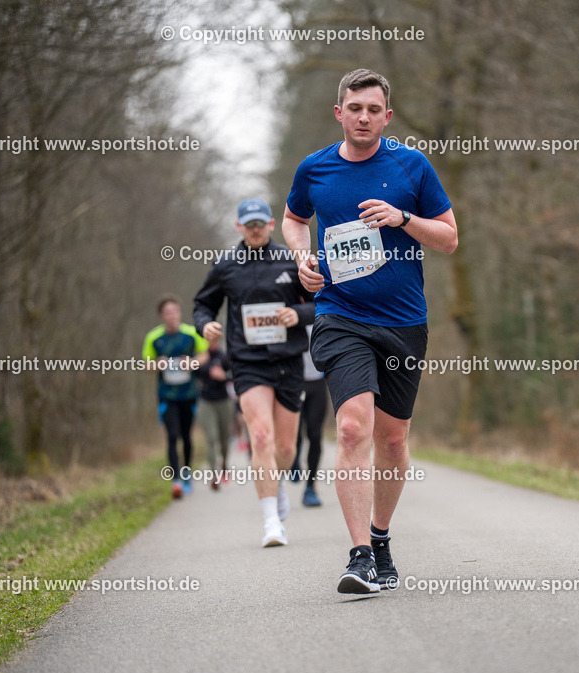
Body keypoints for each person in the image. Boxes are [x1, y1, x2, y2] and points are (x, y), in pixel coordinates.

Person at [281, 68, 457, 593]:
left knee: (394, 437)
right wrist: (301, 255)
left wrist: (402, 218)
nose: (363, 117)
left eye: (373, 110)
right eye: (354, 108)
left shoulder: (412, 166)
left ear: (387, 115)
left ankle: (381, 539)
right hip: (339, 314)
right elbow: (292, 218)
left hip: (404, 321)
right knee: (354, 428)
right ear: (339, 112)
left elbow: (448, 238)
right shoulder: (314, 169)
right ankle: (359, 556)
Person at [194, 198, 315, 547]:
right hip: (247, 362)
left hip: (289, 361)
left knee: (287, 448)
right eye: (249, 224)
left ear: (272, 224)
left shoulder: (291, 260)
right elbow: (203, 304)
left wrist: (300, 315)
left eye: (261, 223)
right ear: (239, 228)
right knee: (260, 437)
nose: (256, 229)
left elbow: (323, 300)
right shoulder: (226, 265)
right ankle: (271, 522)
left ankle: (275, 492)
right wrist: (206, 325)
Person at [143, 295, 209, 499]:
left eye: (175, 312)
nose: (172, 316)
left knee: (186, 435)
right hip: (167, 395)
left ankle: (187, 473)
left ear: (179, 313)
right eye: (167, 313)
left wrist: (192, 363)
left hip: (188, 393)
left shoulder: (190, 334)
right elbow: (146, 365)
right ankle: (176, 481)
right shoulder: (154, 338)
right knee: (172, 436)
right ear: (162, 316)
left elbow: (205, 355)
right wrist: (158, 364)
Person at [290, 325, 328, 507]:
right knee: (294, 433)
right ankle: (293, 460)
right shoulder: (291, 308)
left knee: (315, 434)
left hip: (318, 384)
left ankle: (310, 487)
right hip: (295, 382)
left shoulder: (324, 309)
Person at [194, 337, 233, 490]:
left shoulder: (225, 357)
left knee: (224, 439)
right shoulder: (200, 358)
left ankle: (224, 465)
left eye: (215, 340)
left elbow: (237, 375)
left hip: (224, 401)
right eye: (209, 340)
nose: (212, 342)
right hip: (206, 402)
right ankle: (213, 475)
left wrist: (224, 376)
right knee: (211, 438)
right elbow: (188, 371)